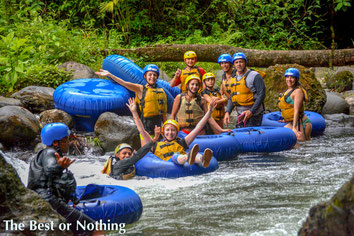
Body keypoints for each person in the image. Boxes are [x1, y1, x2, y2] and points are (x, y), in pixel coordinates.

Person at [27, 123, 104, 236]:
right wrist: (60, 166)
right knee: (96, 228)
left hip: (41, 199)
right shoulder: (50, 152)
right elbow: (50, 169)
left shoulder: (41, 155)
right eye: (65, 140)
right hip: (50, 200)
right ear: (55, 142)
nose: (68, 143)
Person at [126, 97, 215, 167]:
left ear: (176, 133)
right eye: (167, 130)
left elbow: (197, 128)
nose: (170, 132)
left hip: (183, 162)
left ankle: (202, 159)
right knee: (178, 156)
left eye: (173, 130)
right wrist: (134, 112)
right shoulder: (154, 144)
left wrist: (209, 112)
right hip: (169, 163)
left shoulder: (181, 142)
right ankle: (189, 157)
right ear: (163, 132)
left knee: (196, 155)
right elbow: (141, 130)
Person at [95, 64, 167, 141]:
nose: (152, 77)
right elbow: (124, 83)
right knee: (148, 149)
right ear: (145, 76)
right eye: (150, 75)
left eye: (154, 75)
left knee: (158, 150)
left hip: (158, 128)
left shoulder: (161, 92)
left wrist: (166, 129)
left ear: (157, 77)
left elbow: (164, 115)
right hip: (145, 128)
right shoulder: (140, 89)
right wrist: (110, 75)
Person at [224, 52, 266, 128]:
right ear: (234, 64)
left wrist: (251, 111)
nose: (239, 64)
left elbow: (261, 95)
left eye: (241, 62)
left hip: (254, 115)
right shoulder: (234, 78)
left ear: (245, 63)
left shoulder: (254, 75)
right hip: (240, 115)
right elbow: (232, 97)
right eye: (236, 62)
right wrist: (227, 112)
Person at [278, 68, 312, 141]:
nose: (289, 79)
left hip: (301, 122)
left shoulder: (298, 92)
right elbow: (288, 107)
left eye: (292, 77)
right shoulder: (287, 91)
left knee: (300, 146)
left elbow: (296, 111)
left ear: (296, 79)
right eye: (287, 77)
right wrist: (286, 119)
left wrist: (293, 128)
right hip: (292, 121)